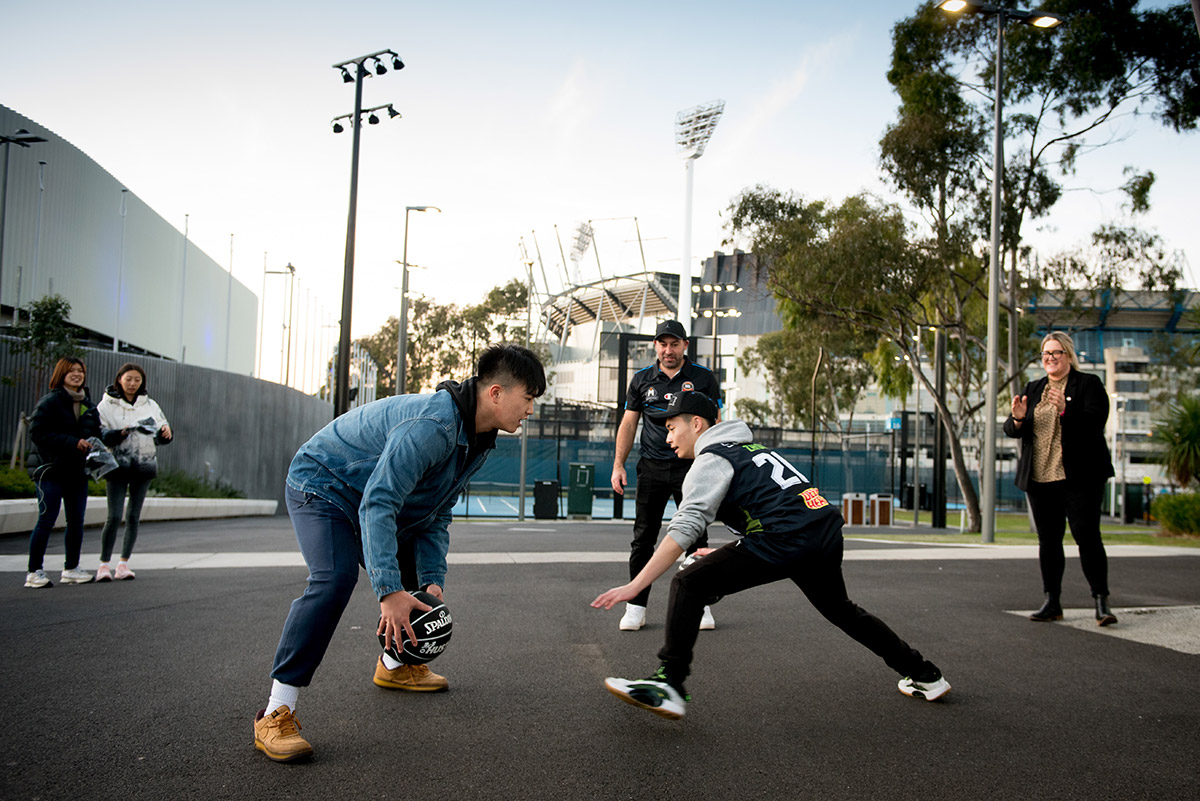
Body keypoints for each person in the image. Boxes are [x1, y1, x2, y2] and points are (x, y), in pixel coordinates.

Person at [253, 344, 546, 763]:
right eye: (528, 398)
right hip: (324, 483)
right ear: (496, 393)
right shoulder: (434, 426)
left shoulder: (479, 439)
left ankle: (395, 665)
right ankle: (276, 710)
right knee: (335, 579)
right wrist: (388, 591)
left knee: (411, 580)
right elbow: (379, 503)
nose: (531, 409)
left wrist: (430, 579)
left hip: (367, 494)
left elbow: (435, 512)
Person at [592, 392, 950, 720]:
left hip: (785, 539)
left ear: (697, 424)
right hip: (822, 531)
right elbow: (774, 503)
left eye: (672, 428)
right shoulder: (754, 449)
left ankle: (669, 682)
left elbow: (684, 528)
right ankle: (925, 674)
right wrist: (728, 552)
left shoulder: (711, 458)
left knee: (689, 582)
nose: (668, 438)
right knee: (842, 610)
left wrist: (636, 584)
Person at [610, 319, 721, 632]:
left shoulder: (703, 377)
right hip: (652, 467)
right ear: (655, 346)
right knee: (643, 539)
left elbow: (716, 420)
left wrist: (715, 463)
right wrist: (619, 464)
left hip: (692, 468)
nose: (668, 350)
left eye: (674, 344)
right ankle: (636, 606)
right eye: (663, 343)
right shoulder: (642, 379)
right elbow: (629, 424)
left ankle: (700, 606)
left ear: (685, 345)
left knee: (696, 538)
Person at [1004, 331, 1117, 626]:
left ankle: (1101, 602)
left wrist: (1066, 410)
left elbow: (1096, 422)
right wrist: (1017, 418)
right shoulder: (1035, 387)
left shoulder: (1088, 384)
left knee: (1086, 535)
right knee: (1049, 540)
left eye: (1056, 353)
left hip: (1080, 476)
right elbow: (1015, 428)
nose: (1050, 359)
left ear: (1068, 355)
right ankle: (1052, 601)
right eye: (1045, 354)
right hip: (1040, 477)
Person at [24, 357, 101, 589]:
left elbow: (96, 433)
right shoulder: (50, 401)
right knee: (46, 519)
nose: (77, 374)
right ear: (61, 374)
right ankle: (34, 572)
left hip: (77, 472)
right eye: (71, 371)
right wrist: (71, 442)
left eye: (80, 371)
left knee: (76, 521)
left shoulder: (88, 404)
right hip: (50, 470)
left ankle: (71, 569)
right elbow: (37, 432)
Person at [95, 363, 173, 582]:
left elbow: (161, 431)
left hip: (143, 465)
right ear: (119, 379)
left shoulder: (150, 405)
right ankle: (103, 565)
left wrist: (166, 432)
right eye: (128, 379)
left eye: (137, 380)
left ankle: (123, 563)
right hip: (117, 466)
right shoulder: (106, 405)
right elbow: (101, 434)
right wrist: (122, 432)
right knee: (114, 516)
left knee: (133, 517)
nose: (132, 384)